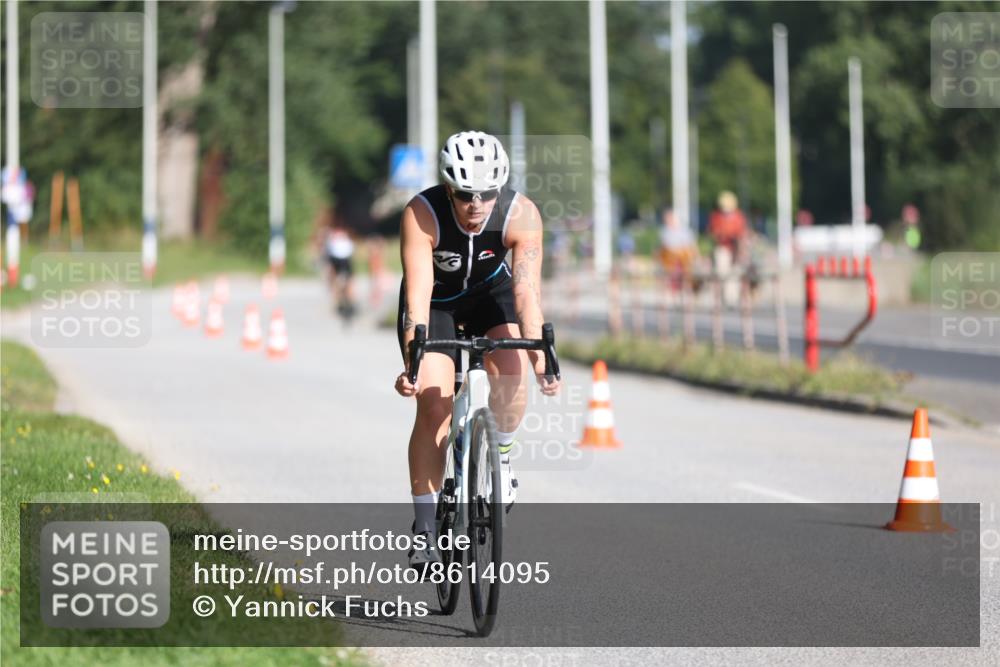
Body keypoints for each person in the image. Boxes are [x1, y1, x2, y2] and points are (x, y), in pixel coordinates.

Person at [394, 131, 560, 570]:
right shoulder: (421, 214)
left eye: (487, 194)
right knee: (434, 405)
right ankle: (426, 529)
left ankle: (502, 459)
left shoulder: (521, 214)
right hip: (436, 302)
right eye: (465, 194)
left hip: (493, 295)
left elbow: (526, 294)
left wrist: (541, 358)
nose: (476, 205)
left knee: (512, 367)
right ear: (449, 189)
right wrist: (414, 358)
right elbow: (417, 295)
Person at [707, 191, 749, 306]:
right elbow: (713, 233)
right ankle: (720, 297)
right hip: (722, 248)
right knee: (721, 272)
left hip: (736, 248)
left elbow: (742, 234)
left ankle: (731, 299)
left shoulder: (738, 217)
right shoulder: (716, 217)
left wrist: (741, 249)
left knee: (734, 274)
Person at [324, 219, 356, 319]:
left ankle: (347, 300)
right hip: (339, 258)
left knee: (346, 280)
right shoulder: (334, 232)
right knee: (340, 279)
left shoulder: (340, 232)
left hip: (342, 258)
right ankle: (340, 300)